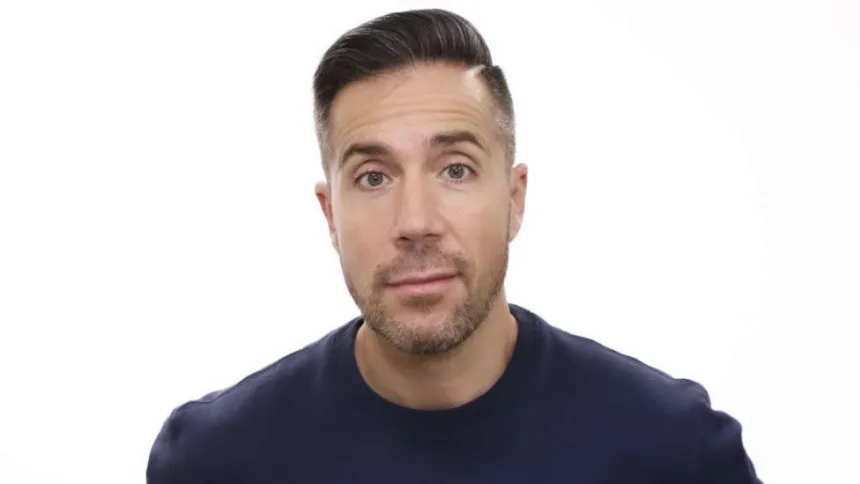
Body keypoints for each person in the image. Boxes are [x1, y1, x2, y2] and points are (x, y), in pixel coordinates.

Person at [146, 8, 761, 483]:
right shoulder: (215, 462)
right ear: (330, 215)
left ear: (515, 198)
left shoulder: (676, 453)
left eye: (456, 170)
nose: (416, 221)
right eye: (374, 178)